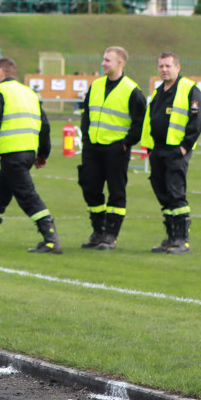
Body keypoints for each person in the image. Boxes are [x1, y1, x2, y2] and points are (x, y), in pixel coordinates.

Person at [0, 58, 61, 254]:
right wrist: (43, 154)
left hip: (12, 153)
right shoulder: (30, 93)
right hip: (27, 153)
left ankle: (51, 239)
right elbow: (45, 126)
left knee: (28, 197)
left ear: (1, 71)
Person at [77, 46, 146, 250]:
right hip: (93, 147)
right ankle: (98, 231)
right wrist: (87, 139)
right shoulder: (96, 85)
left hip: (116, 149)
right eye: (103, 59)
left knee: (116, 191)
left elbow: (139, 122)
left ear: (120, 63)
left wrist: (126, 143)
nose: (103, 63)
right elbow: (86, 114)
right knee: (90, 187)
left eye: (108, 60)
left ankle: (111, 235)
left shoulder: (132, 90)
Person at [142, 52, 201, 254]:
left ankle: (182, 240)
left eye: (168, 66)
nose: (164, 69)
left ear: (177, 67)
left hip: (176, 150)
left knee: (176, 192)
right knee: (162, 192)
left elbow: (198, 120)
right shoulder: (158, 91)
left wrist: (185, 146)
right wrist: (150, 149)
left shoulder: (189, 89)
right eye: (161, 66)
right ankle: (170, 237)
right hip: (158, 149)